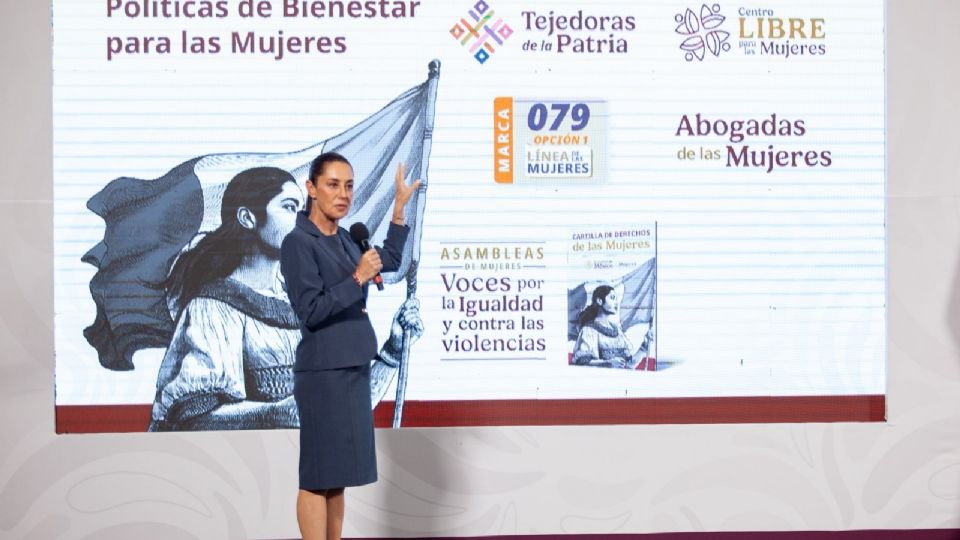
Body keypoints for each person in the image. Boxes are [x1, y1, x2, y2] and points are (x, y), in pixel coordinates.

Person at [279, 152, 420, 540]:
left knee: (336, 475)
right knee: (317, 476)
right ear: (311, 188)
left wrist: (398, 211)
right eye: (333, 185)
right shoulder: (298, 243)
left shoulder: (345, 238)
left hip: (352, 367)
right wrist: (357, 277)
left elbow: (389, 260)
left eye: (349, 186)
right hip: (323, 373)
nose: (343, 194)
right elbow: (311, 310)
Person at [571, 284, 651, 369]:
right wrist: (607, 363)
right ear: (599, 301)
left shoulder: (617, 331)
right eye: (612, 298)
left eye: (616, 299)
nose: (616, 302)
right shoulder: (589, 330)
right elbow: (583, 362)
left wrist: (644, 347)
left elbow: (629, 364)